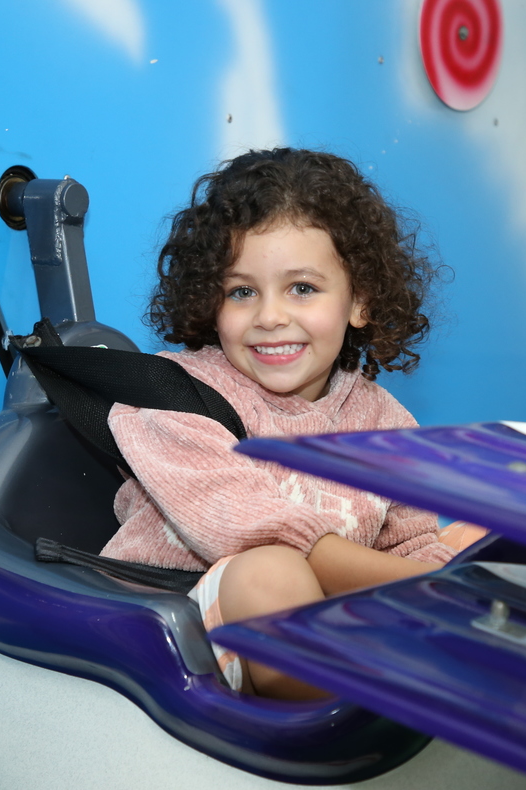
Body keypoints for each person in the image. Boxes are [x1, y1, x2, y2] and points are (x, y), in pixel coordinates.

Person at [100, 148, 486, 700]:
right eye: (242, 292)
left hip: (324, 625)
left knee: (482, 540)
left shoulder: (385, 423)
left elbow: (411, 543)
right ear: (211, 300)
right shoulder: (172, 399)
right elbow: (253, 529)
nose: (270, 316)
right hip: (171, 633)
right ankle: (341, 723)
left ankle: (439, 687)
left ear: (360, 301)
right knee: (272, 572)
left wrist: (451, 578)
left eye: (302, 288)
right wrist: (432, 589)